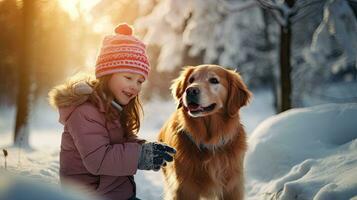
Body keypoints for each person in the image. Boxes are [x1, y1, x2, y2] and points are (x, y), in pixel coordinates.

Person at [48, 23, 176, 200]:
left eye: (140, 81)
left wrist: (146, 149)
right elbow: (98, 160)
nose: (135, 86)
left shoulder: (112, 110)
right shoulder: (85, 112)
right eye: (128, 77)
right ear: (107, 75)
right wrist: (140, 156)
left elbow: (120, 142)